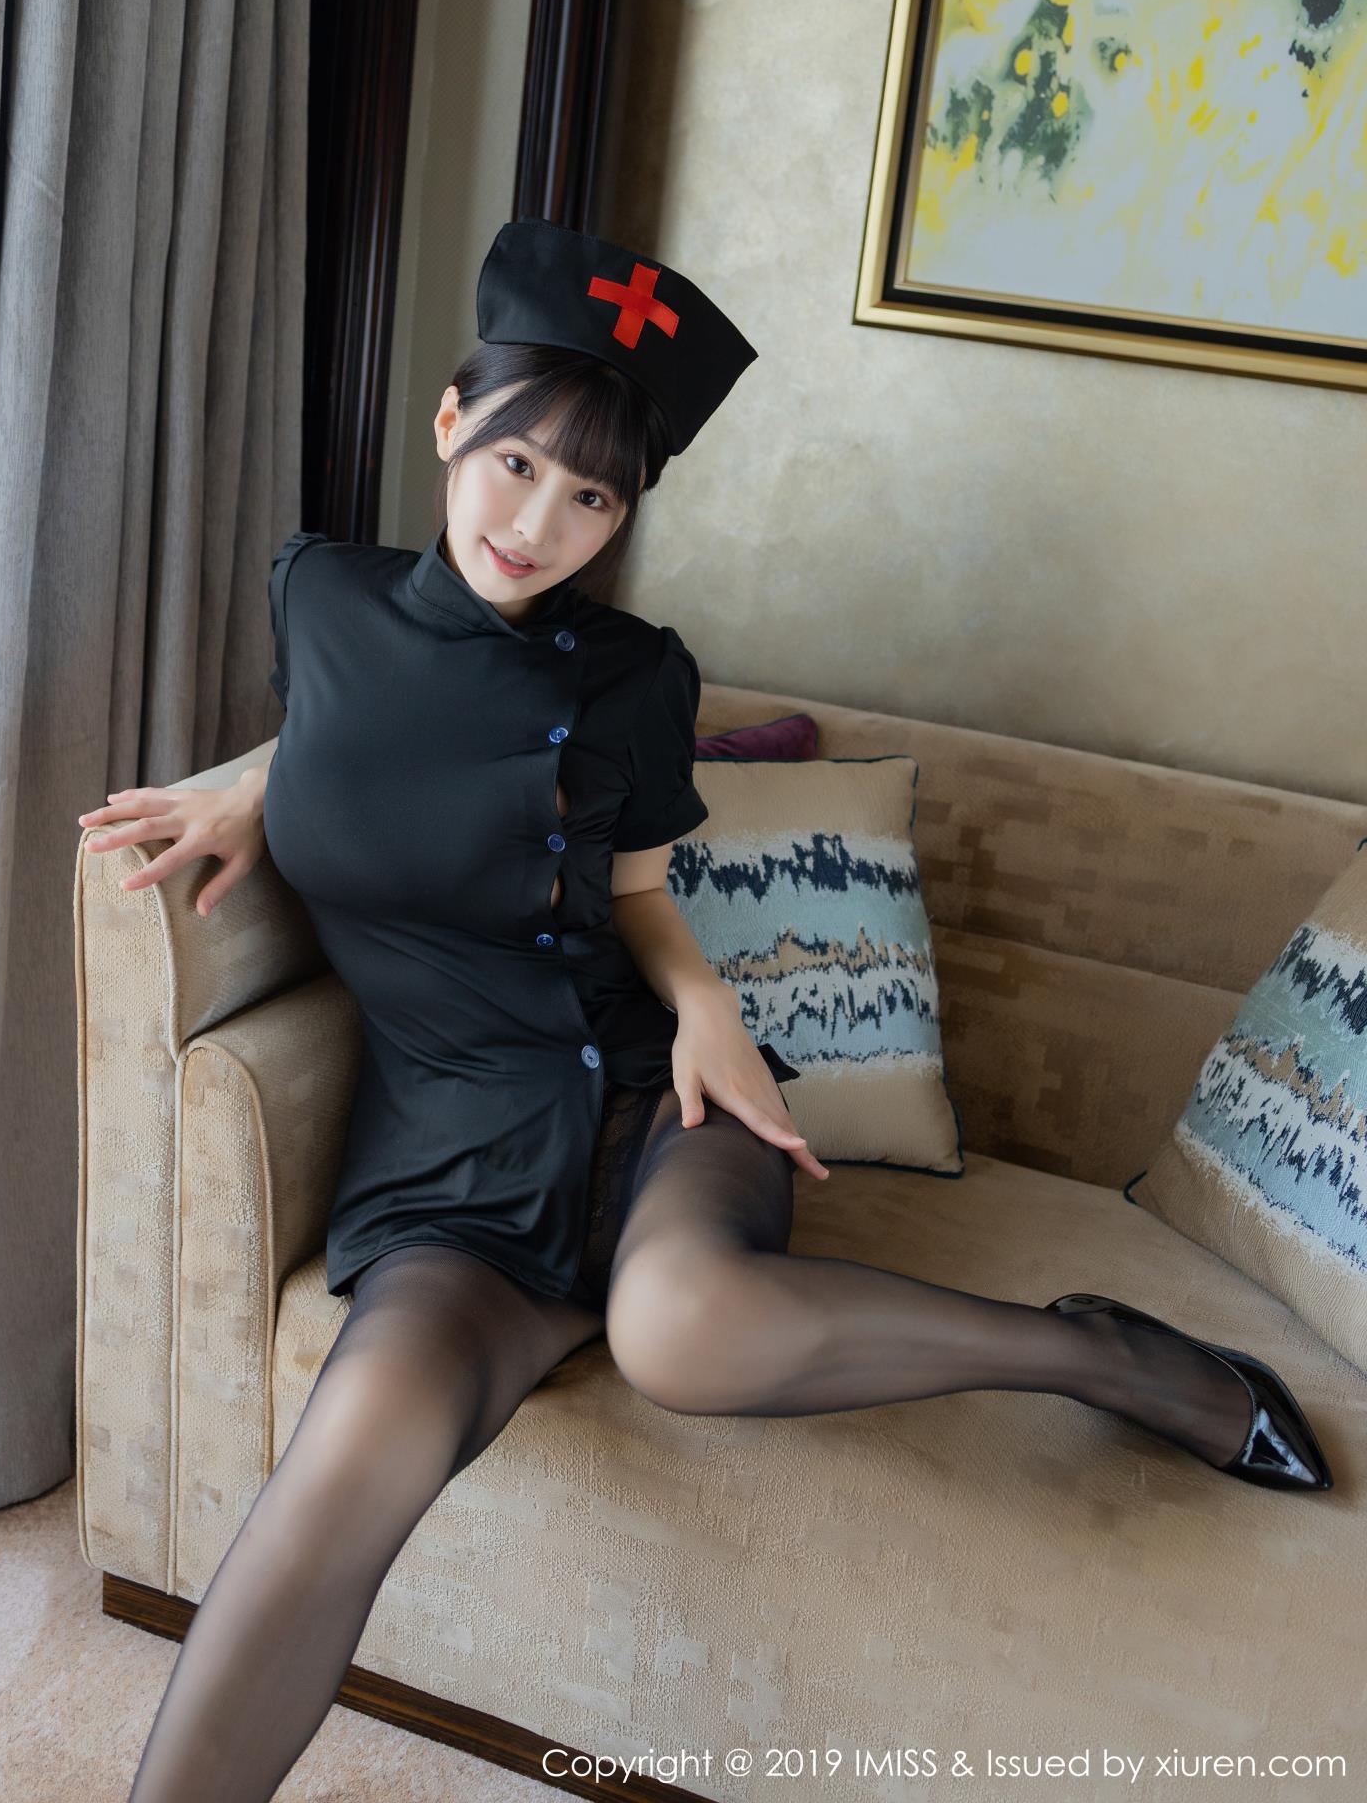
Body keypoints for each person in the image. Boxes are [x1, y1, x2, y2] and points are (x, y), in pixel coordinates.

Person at [80, 217, 1332, 1803]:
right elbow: (356, 732)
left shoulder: (634, 674)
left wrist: (708, 1013)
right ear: (451, 423)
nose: (539, 524)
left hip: (649, 1102)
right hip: (448, 1164)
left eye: (593, 497)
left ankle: (1098, 1355)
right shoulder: (317, 593)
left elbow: (637, 891)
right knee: (339, 1473)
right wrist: (257, 793)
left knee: (678, 1332)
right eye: (518, 462)